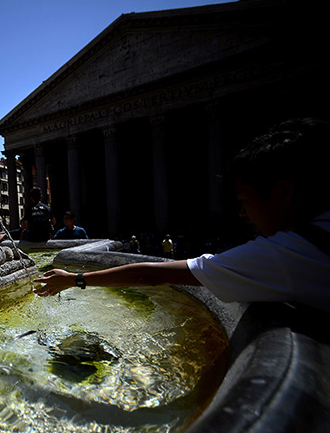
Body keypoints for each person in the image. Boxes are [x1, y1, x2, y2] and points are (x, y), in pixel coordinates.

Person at [34, 118, 330, 315]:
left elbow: (154, 274)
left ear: (282, 192)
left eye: (244, 202)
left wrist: (75, 279)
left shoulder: (287, 256)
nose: (241, 214)